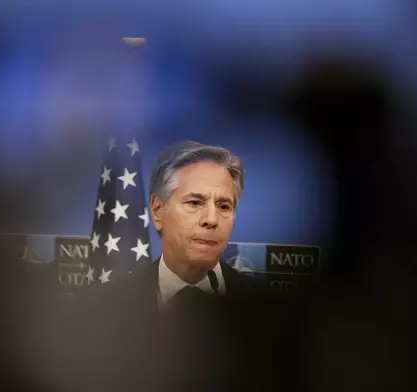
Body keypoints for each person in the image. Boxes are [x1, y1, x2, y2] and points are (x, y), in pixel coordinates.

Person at [58, 141, 302, 392]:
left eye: (224, 206)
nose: (211, 219)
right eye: (195, 203)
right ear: (157, 211)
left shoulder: (274, 316)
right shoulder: (98, 310)